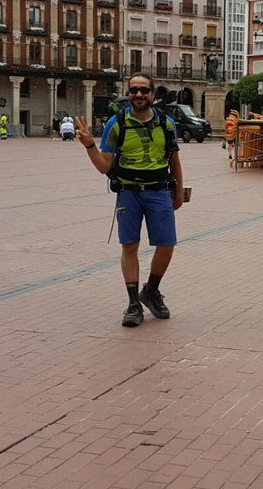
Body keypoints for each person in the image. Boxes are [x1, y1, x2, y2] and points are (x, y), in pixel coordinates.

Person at [76, 73, 184, 328]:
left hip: (158, 191)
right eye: (134, 90)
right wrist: (90, 146)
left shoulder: (167, 124)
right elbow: (104, 167)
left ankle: (151, 290)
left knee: (167, 244)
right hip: (129, 192)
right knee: (130, 246)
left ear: (153, 95)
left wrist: (178, 192)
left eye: (144, 90)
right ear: (129, 93)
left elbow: (174, 160)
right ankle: (134, 303)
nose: (138, 94)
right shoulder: (117, 124)